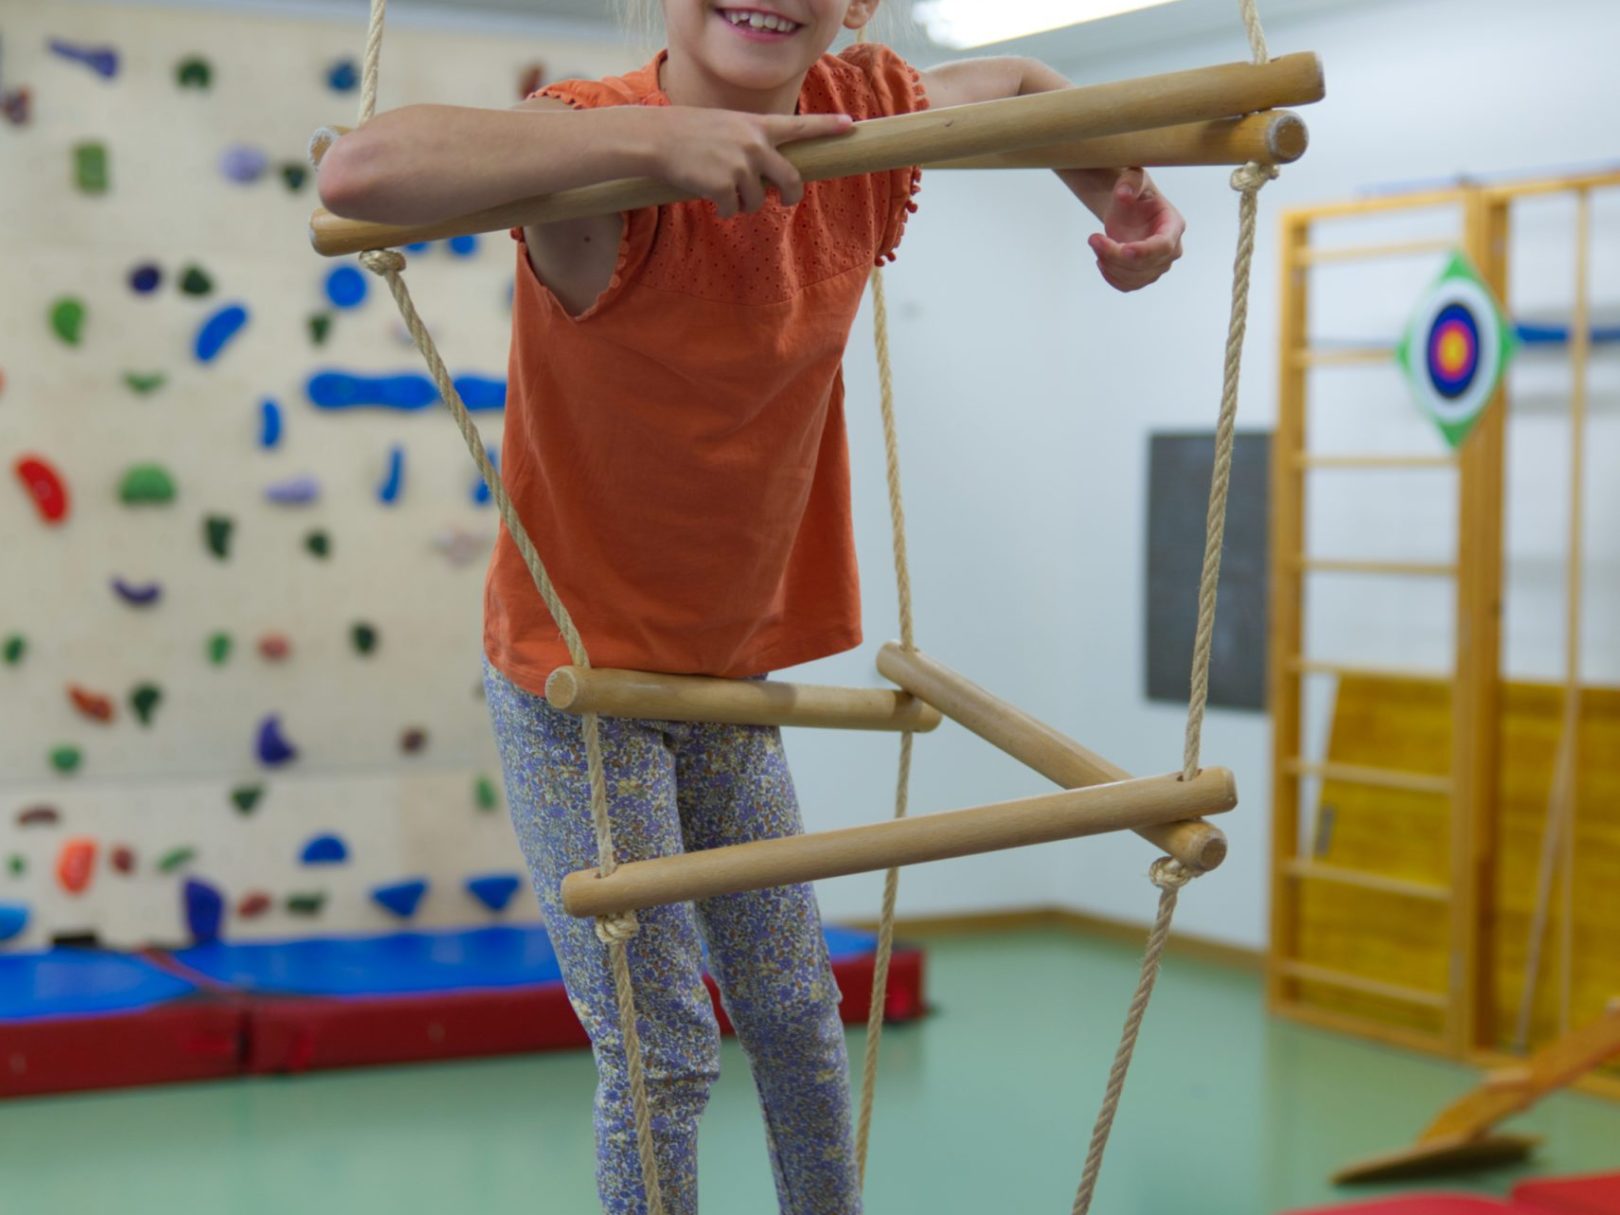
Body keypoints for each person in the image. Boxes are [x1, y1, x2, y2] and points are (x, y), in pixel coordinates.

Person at [317, 4, 1185, 1212]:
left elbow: (1034, 83)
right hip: (580, 683)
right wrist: (666, 146)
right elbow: (359, 170)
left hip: (725, 677)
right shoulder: (603, 149)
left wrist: (1118, 193)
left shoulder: (864, 120)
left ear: (857, 8)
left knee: (795, 1016)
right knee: (661, 1045)